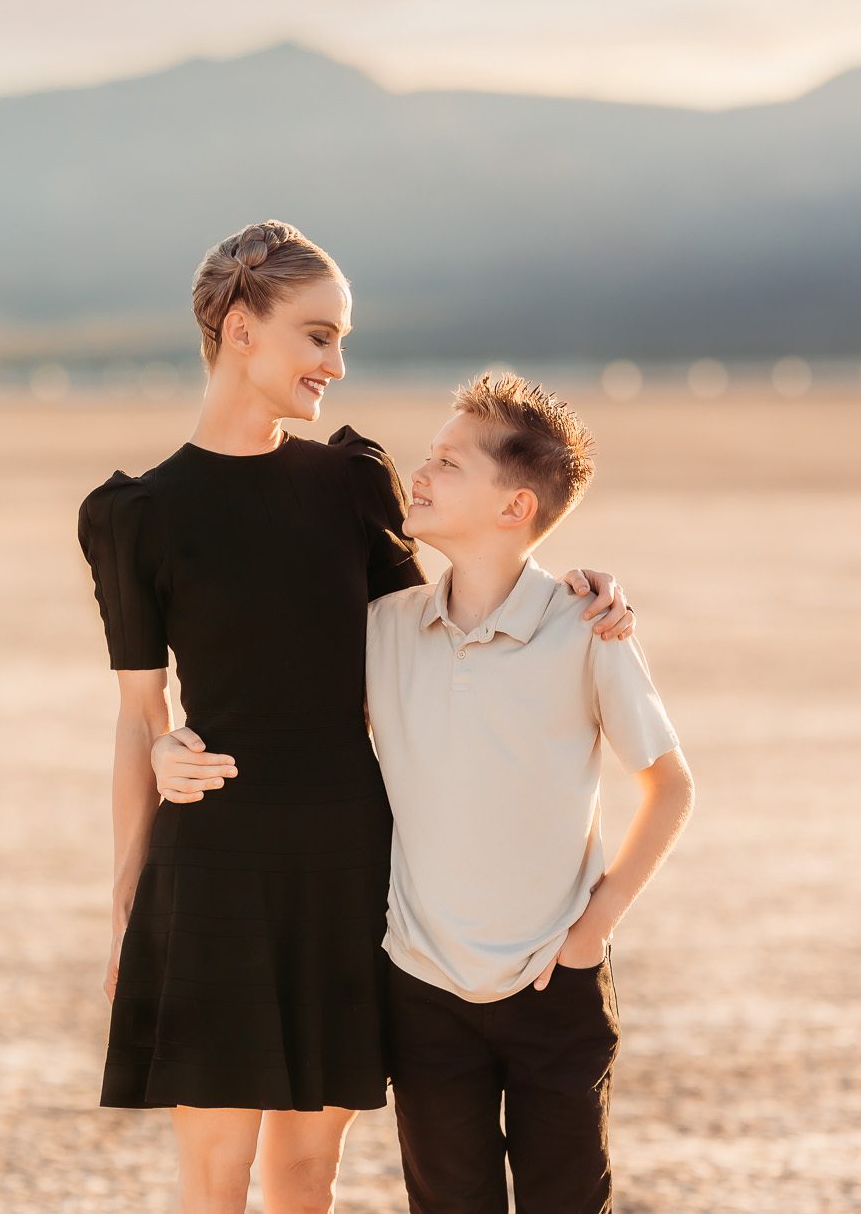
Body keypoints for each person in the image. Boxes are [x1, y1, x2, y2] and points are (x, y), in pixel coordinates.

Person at [76, 219, 640, 1214]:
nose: (337, 362)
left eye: (341, 338)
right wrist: (126, 900)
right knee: (210, 1178)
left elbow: (449, 614)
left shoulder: (346, 481)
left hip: (346, 860)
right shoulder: (134, 515)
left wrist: (578, 589)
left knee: (306, 1174)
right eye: (317, 335)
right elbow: (137, 713)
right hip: (207, 864)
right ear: (241, 329)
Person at [364, 369, 695, 1214]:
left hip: (556, 980)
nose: (422, 474)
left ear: (516, 508)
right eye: (427, 456)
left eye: (449, 462)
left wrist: (591, 933)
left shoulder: (585, 626)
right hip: (422, 980)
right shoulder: (385, 628)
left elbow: (668, 786)